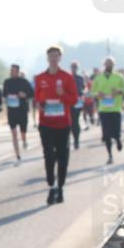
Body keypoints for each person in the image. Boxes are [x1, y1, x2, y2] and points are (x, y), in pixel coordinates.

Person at [33, 46, 79, 204]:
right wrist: (40, 104)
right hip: (46, 123)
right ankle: (51, 186)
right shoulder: (40, 78)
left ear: (60, 58)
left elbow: (74, 99)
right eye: (51, 56)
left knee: (62, 157)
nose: (53, 58)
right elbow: (37, 98)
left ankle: (60, 187)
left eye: (56, 56)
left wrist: (62, 94)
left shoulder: (67, 77)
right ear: (47, 58)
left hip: (63, 124)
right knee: (48, 155)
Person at [90, 56, 124, 165]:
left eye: (111, 63)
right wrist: (97, 94)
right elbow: (92, 92)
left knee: (116, 131)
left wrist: (119, 91)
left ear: (114, 65)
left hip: (116, 108)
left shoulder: (119, 77)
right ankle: (110, 155)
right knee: (106, 134)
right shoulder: (98, 78)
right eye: (107, 63)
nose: (109, 65)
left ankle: (118, 139)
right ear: (104, 65)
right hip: (103, 109)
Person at [2, 64, 34, 161]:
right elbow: (3, 94)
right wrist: (6, 97)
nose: (12, 72)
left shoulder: (24, 82)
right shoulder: (7, 82)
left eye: (14, 70)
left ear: (17, 71)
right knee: (14, 133)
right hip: (11, 111)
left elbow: (32, 93)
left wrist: (24, 95)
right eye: (11, 70)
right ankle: (17, 154)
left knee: (23, 130)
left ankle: (24, 140)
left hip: (22, 110)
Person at [69, 62, 86, 149]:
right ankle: (68, 139)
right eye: (72, 67)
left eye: (75, 67)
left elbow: (83, 88)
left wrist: (82, 96)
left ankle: (76, 140)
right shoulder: (68, 77)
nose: (74, 68)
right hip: (69, 101)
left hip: (78, 101)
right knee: (70, 121)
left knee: (75, 121)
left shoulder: (80, 78)